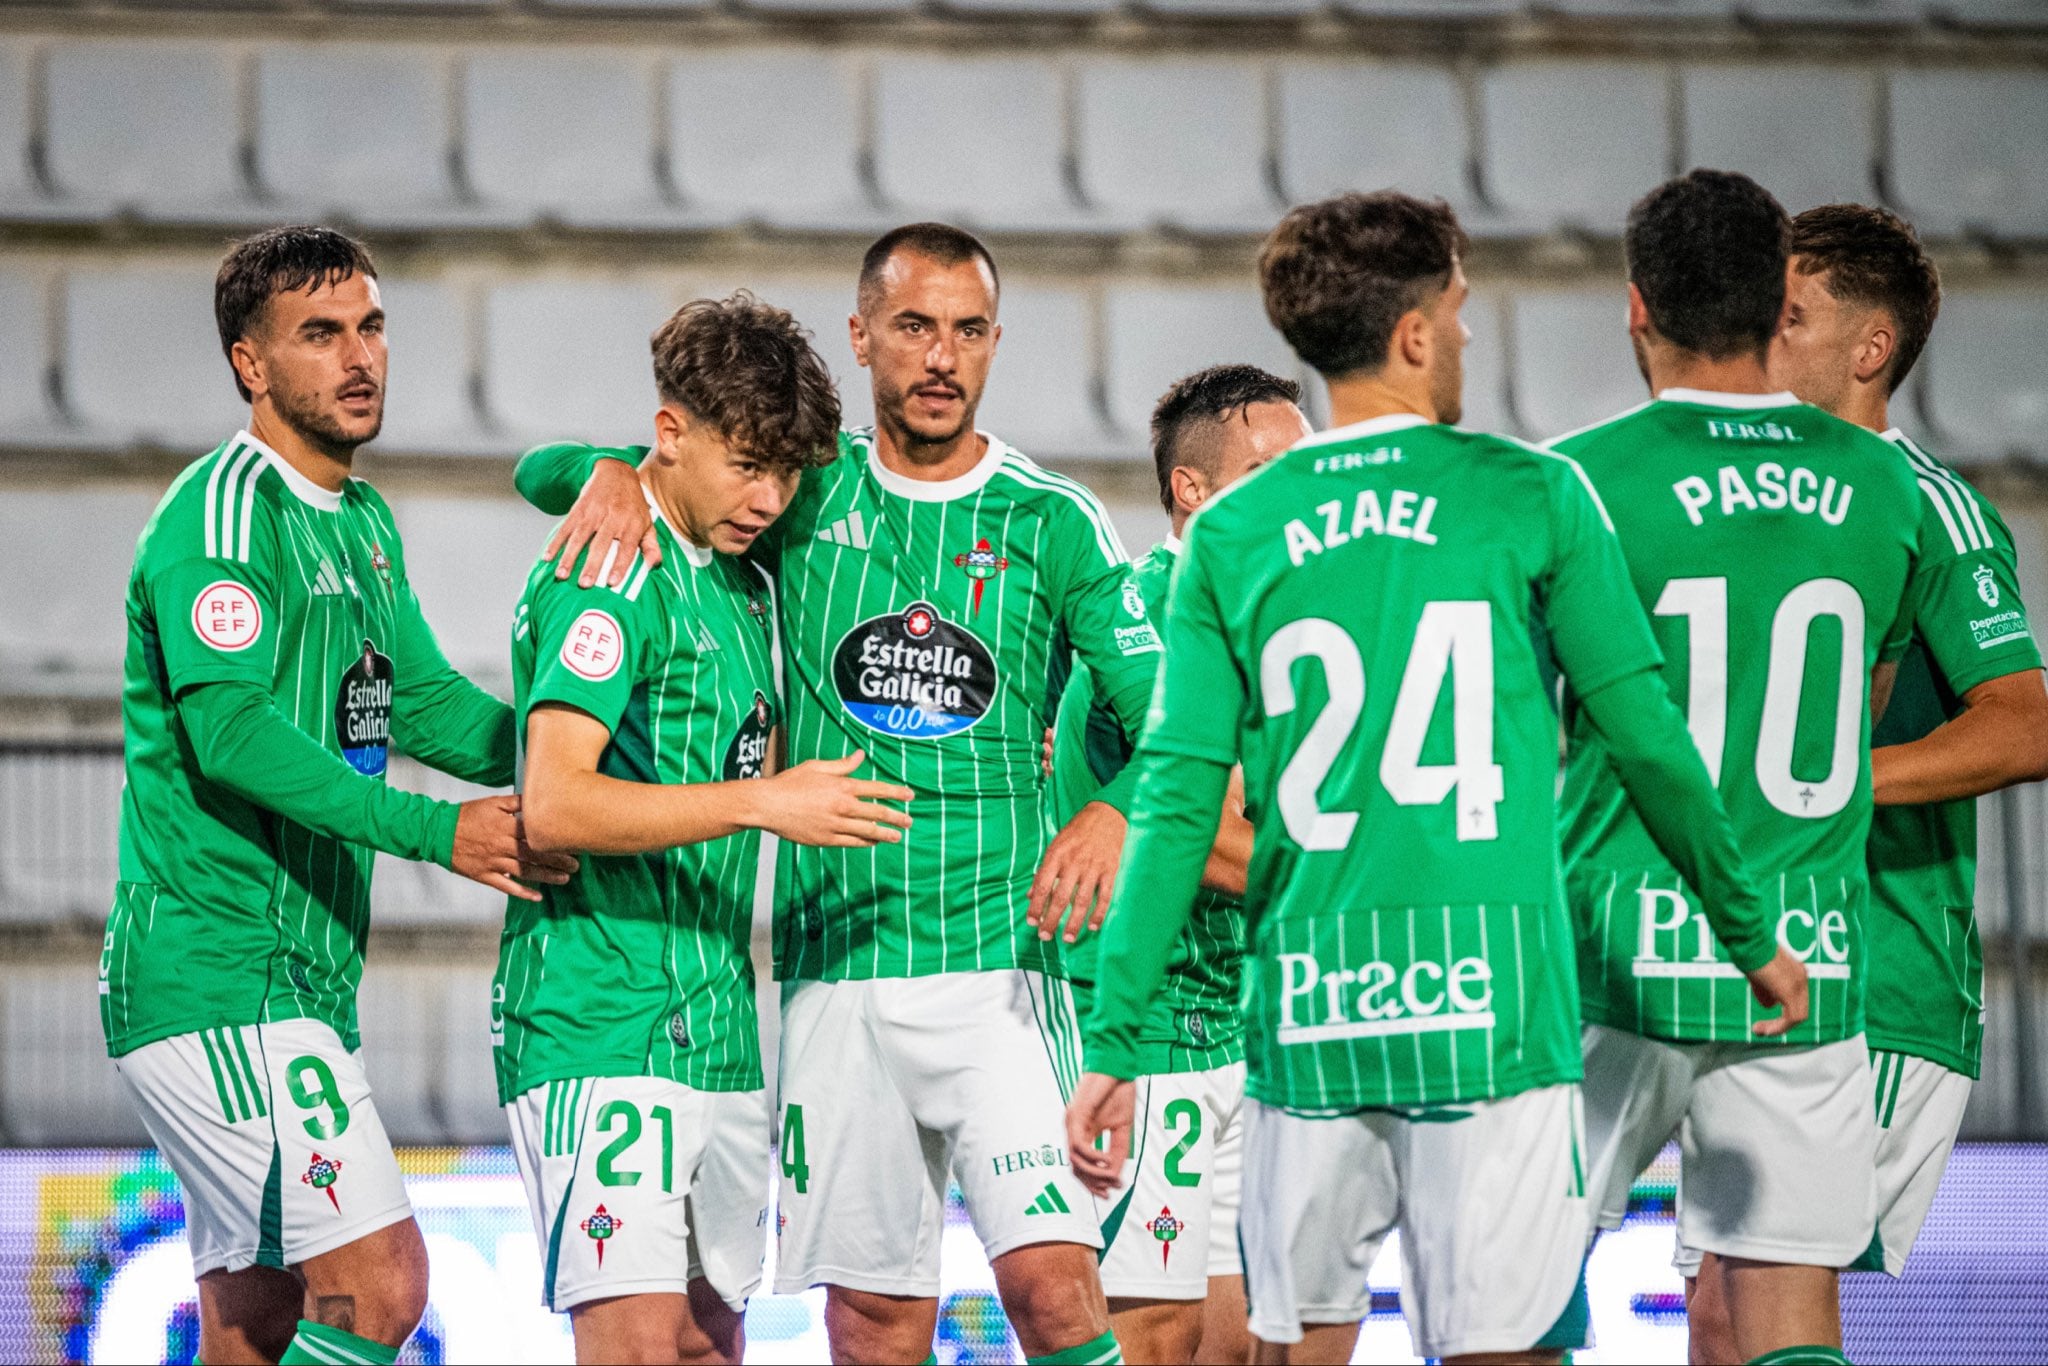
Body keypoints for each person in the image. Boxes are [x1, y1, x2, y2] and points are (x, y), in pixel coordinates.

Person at [1064, 190, 1805, 1366]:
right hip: (1492, 1010)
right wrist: (1748, 927)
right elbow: (1647, 739)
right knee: (1502, 1348)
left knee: (1297, 1346)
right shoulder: (1532, 494)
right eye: (1457, 312)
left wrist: (1108, 1036)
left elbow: (1172, 794)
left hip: (1309, 1010)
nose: (1463, 336)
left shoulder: (1231, 537)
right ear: (1413, 332)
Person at [511, 224, 1152, 1365]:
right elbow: (583, 470)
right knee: (871, 1322)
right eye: (914, 327)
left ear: (996, 343)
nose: (940, 357)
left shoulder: (1052, 522)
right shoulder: (799, 492)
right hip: (835, 978)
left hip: (1003, 966)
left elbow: (1175, 728)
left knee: (1057, 1295)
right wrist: (605, 472)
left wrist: (1107, 809)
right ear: (863, 337)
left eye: (966, 330)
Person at [101, 225, 572, 1366]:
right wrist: (432, 830)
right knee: (378, 1285)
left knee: (258, 1322)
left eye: (369, 326)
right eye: (320, 334)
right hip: (219, 973)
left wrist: (580, 746)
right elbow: (231, 734)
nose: (359, 357)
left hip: (297, 978)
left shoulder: (360, 522)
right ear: (250, 366)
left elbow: (425, 710)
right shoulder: (221, 515)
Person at [1549, 171, 1937, 1366]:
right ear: (1778, 301)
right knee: (1784, 1309)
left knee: (1511, 1287)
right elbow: (1865, 703)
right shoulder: (1883, 485)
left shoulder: (1570, 477)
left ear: (1634, 307)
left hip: (1611, 946)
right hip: (1803, 955)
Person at [499, 293, 917, 1364]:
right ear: (671, 433)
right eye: (745, 466)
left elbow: (551, 463)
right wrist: (759, 800)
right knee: (636, 1345)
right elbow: (552, 799)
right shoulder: (612, 569)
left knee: (702, 1344)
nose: (769, 499)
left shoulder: (742, 580)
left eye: (785, 474)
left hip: (719, 1030)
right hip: (601, 1018)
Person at [1674, 204, 2048, 1360]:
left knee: (1763, 1294)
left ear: (1867, 348)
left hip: (1873, 971)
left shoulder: (1923, 503)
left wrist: (1828, 783)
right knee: (1717, 1305)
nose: (1759, 335)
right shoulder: (1754, 505)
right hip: (1747, 963)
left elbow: (2023, 722)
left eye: (1788, 316)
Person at [1048, 364, 1305, 1365]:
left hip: (1237, 1015)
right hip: (1145, 1025)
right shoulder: (1150, 615)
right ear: (1191, 490)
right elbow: (1211, 833)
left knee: (1231, 1346)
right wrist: (1358, 882)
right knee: (1150, 1337)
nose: (1298, 493)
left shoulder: (1271, 626)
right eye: (1268, 469)